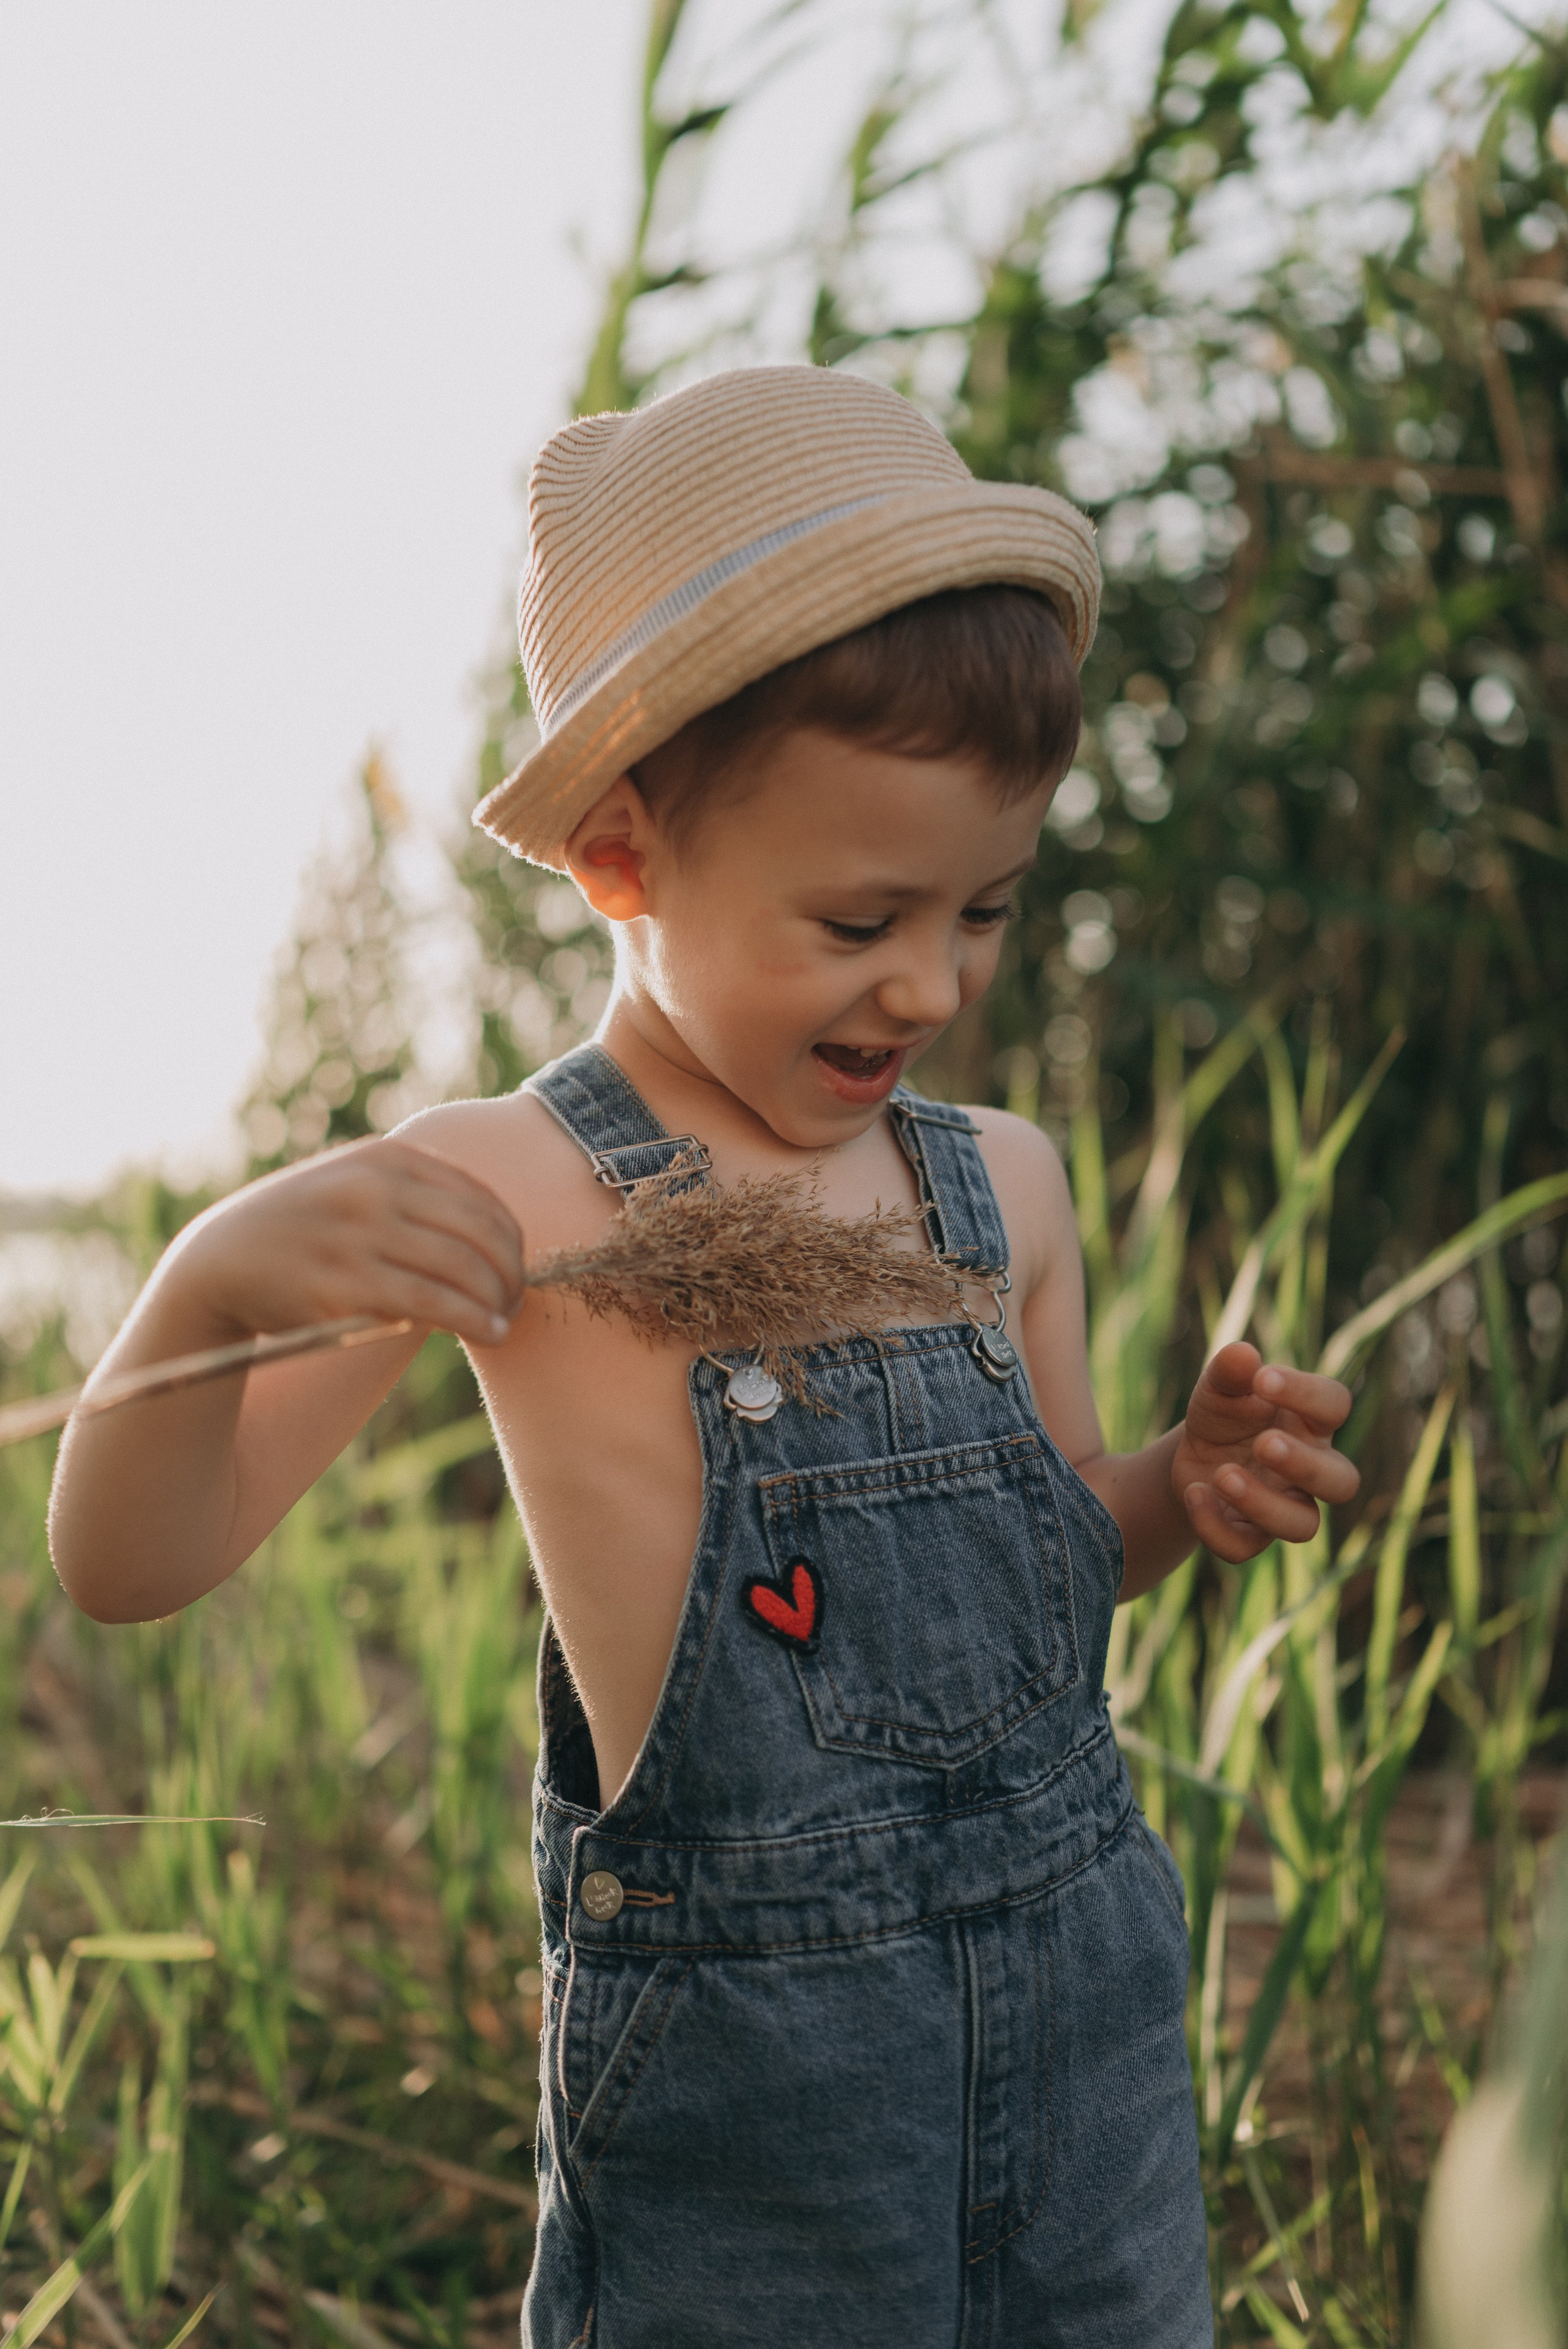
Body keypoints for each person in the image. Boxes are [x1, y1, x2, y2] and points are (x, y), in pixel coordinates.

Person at [50, 366, 1359, 2347]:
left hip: (1090, 2039)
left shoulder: (1000, 1184)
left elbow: (1049, 1565)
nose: (927, 981)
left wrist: (1181, 1484)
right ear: (623, 857)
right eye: (857, 917)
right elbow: (130, 1561)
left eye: (985, 908)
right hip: (763, 2089)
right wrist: (208, 1290)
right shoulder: (513, 1188)